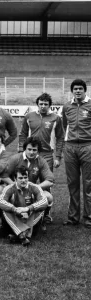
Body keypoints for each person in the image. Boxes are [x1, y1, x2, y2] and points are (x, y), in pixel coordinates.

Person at [6, 136, 54, 231]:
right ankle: (6, 221)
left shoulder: (41, 161)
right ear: (25, 149)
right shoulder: (15, 159)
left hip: (31, 191)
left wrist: (35, 187)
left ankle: (43, 218)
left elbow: (50, 180)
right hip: (15, 190)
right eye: (29, 149)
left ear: (38, 150)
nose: (31, 152)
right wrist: (13, 186)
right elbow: (4, 175)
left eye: (34, 150)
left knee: (48, 196)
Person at [62, 79, 91, 227]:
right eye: (75, 89)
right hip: (71, 147)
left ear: (85, 90)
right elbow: (64, 125)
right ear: (72, 91)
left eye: (80, 88)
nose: (78, 91)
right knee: (72, 183)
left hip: (88, 146)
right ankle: (73, 218)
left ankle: (88, 218)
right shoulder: (67, 106)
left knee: (88, 184)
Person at [0, 165, 48, 246]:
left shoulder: (34, 187)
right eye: (20, 178)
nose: (23, 180)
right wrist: (15, 209)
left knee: (40, 208)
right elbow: (0, 201)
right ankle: (23, 234)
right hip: (15, 217)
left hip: (29, 217)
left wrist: (28, 209)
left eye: (25, 177)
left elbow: (44, 201)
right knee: (5, 210)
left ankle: (18, 235)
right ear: (15, 179)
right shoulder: (9, 188)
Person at [18, 92, 64, 172]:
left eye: (45, 104)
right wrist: (21, 151)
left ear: (50, 105)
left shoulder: (56, 118)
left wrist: (58, 157)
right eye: (41, 104)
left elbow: (60, 138)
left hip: (47, 154)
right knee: (29, 180)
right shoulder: (29, 116)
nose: (43, 106)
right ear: (37, 104)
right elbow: (23, 135)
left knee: (47, 180)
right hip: (30, 152)